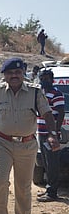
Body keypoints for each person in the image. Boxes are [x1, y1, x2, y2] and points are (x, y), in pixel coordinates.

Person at [0, 57, 60, 214]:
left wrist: (52, 134)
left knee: (23, 187)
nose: (14, 76)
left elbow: (47, 113)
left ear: (23, 74)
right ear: (5, 76)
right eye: (10, 73)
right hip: (2, 142)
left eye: (18, 72)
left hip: (27, 144)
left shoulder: (34, 92)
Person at [36, 68, 65, 202]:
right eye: (42, 79)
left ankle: (52, 193)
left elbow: (60, 113)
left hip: (50, 134)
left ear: (51, 79)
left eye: (46, 78)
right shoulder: (41, 93)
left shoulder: (56, 93)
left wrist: (55, 132)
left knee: (53, 163)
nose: (44, 81)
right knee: (46, 163)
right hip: (40, 133)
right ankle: (49, 188)